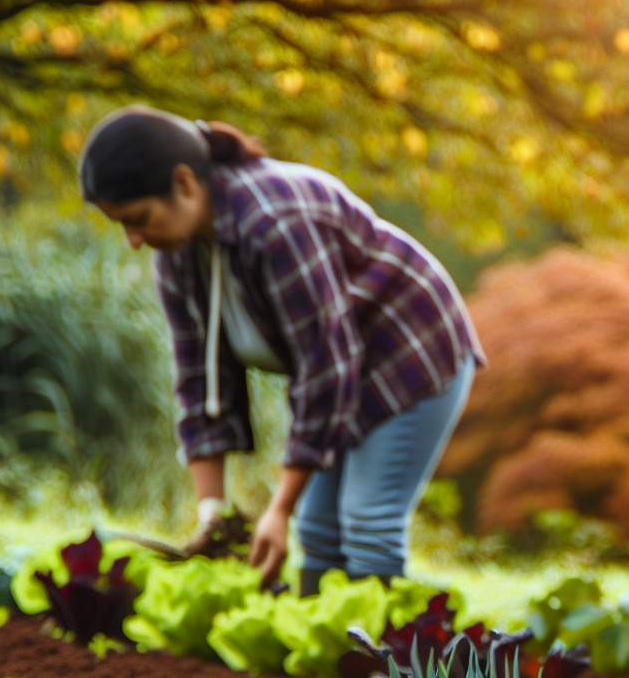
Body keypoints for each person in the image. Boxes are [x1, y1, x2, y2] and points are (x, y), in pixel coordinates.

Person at [77, 106, 485, 594]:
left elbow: (323, 366)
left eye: (139, 219)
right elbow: (199, 380)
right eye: (123, 226)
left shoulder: (273, 223)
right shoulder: (179, 254)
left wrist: (279, 510)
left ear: (185, 183)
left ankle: (382, 663)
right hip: (342, 362)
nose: (134, 241)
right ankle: (320, 657)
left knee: (367, 520)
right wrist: (213, 513)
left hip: (412, 347)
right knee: (319, 531)